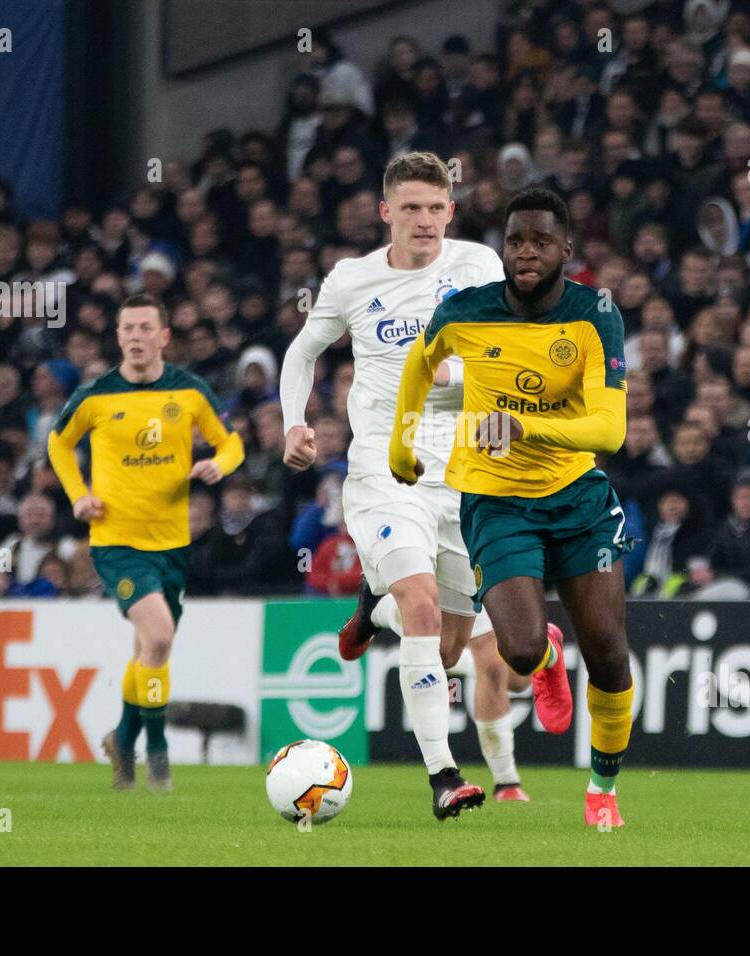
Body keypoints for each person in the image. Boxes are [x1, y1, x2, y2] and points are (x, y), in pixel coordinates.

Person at [279, 151, 534, 816]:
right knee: (422, 606)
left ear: (450, 211)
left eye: (435, 208)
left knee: (447, 645)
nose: (424, 221)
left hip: (465, 481)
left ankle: (372, 609)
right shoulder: (352, 280)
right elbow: (303, 351)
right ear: (386, 212)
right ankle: (443, 777)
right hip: (386, 474)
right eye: (410, 208)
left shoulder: (477, 265)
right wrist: (292, 423)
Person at [389, 187, 634, 827]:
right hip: (496, 502)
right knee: (519, 653)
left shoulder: (594, 315)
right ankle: (549, 653)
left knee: (608, 653)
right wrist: (402, 441)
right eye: (516, 241)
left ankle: (602, 790)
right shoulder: (464, 312)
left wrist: (527, 429)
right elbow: (419, 367)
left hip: (579, 499)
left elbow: (609, 432)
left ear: (565, 251)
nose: (526, 253)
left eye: (541, 242)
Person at [48, 293, 246, 794]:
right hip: (116, 542)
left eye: (144, 328)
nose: (135, 337)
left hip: (173, 544)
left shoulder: (191, 392)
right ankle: (156, 756)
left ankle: (122, 737)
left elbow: (232, 442)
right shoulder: (95, 396)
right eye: (127, 328)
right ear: (117, 337)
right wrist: (79, 496)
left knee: (148, 651)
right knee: (158, 637)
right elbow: (57, 442)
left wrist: (218, 466)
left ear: (163, 337)